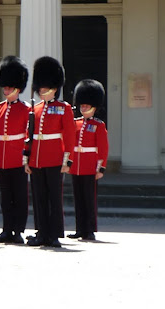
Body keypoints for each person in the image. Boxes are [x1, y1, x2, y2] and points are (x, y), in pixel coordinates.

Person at [24, 56, 75, 248]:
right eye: (41, 87)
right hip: (37, 158)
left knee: (54, 197)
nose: (42, 90)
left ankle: (54, 233)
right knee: (39, 198)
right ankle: (41, 231)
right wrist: (26, 158)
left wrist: (67, 159)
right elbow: (29, 135)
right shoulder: (35, 110)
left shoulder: (64, 109)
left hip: (54, 158)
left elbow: (69, 136)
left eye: (45, 87)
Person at [0, 56, 30, 245]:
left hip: (18, 159)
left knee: (20, 197)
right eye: (4, 87)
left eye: (8, 87)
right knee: (5, 198)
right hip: (4, 158)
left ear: (18, 88)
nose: (5, 90)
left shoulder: (26, 110)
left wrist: (27, 158)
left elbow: (27, 137)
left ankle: (18, 230)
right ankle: (7, 229)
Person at [68, 79, 109, 241]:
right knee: (78, 199)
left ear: (94, 107)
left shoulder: (99, 125)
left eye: (86, 106)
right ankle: (80, 229)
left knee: (89, 199)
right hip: (77, 165)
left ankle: (90, 229)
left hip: (90, 166)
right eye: (82, 106)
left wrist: (101, 168)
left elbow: (103, 148)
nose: (83, 108)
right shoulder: (75, 123)